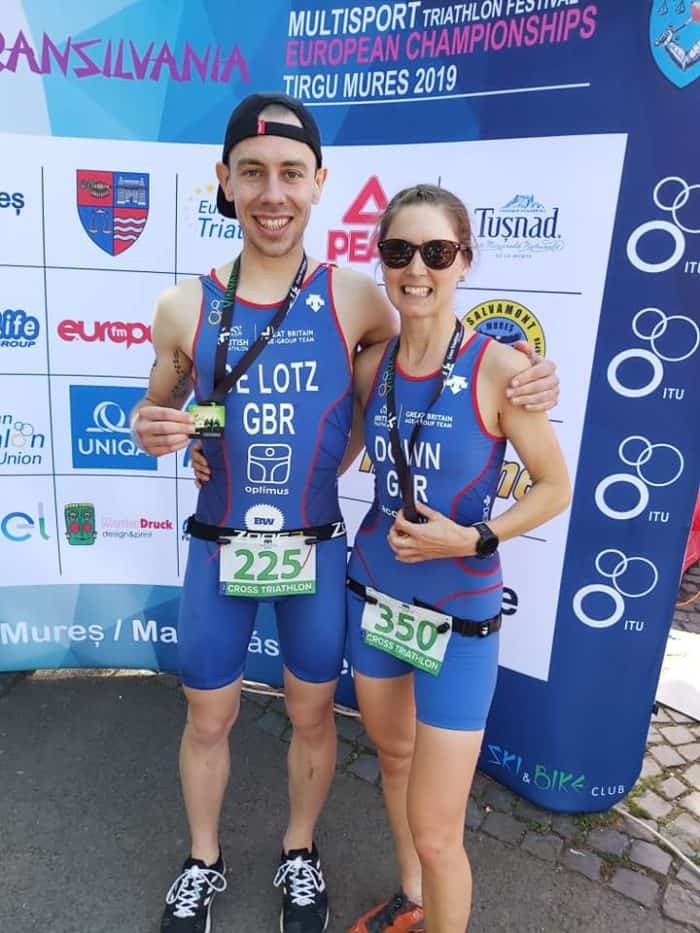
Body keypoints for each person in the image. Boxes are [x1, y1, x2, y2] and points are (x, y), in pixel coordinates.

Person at [132, 92, 560, 933]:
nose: (273, 193)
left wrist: (530, 369)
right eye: (253, 173)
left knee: (312, 713)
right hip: (218, 545)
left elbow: (429, 350)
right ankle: (203, 859)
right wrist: (158, 428)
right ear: (224, 179)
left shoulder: (357, 296)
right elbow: (162, 408)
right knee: (208, 716)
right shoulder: (183, 306)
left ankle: (299, 849)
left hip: (319, 550)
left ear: (319, 183)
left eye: (292, 173)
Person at [340, 184, 571, 933]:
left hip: (459, 616)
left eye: (437, 252)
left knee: (440, 832)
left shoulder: (501, 368)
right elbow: (327, 449)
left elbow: (555, 486)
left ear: (464, 261)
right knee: (393, 758)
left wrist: (474, 538)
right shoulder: (370, 365)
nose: (417, 268)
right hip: (375, 596)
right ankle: (410, 897)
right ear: (381, 260)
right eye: (399, 250)